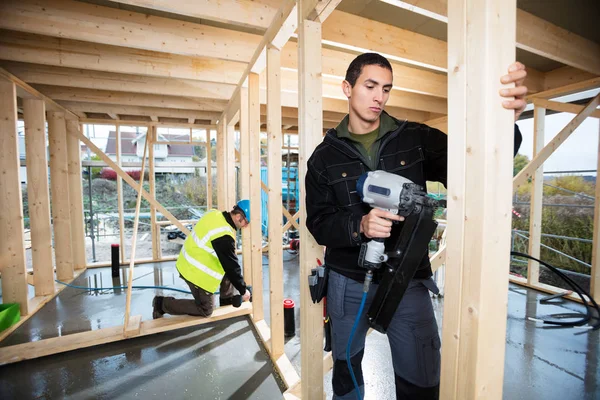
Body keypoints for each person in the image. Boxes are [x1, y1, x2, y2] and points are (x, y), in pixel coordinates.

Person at [305, 53, 527, 399]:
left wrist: (505, 124)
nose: (379, 97)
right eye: (370, 86)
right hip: (348, 282)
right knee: (346, 373)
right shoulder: (323, 157)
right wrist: (358, 225)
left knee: (422, 376)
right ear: (348, 88)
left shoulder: (416, 139)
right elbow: (318, 223)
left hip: (407, 279)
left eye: (387, 89)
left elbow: (476, 167)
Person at [152, 200, 252, 319]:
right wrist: (243, 290)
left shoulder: (214, 214)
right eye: (246, 222)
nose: (246, 226)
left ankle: (226, 300)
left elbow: (228, 261)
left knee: (227, 267)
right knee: (206, 309)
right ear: (238, 216)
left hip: (189, 258)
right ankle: (162, 304)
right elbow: (232, 266)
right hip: (193, 270)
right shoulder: (224, 235)